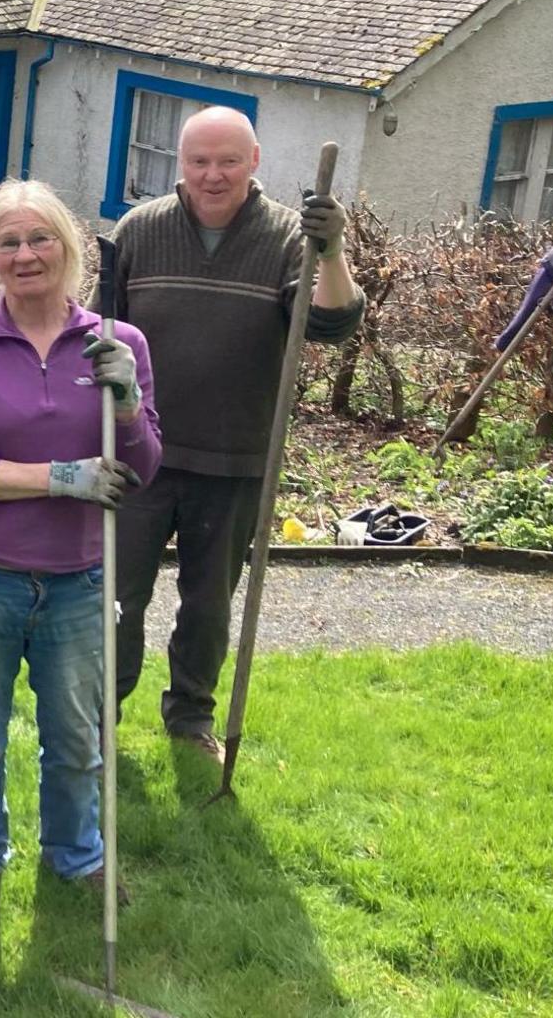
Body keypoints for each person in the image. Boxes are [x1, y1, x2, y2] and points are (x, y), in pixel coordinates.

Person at [0, 179, 162, 893]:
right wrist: (60, 478)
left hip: (79, 577)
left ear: (70, 248)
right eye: (9, 242)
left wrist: (129, 402)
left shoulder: (120, 343)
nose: (26, 255)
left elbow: (142, 467)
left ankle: (76, 855)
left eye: (40, 238)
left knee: (79, 741)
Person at [99, 106, 363, 760]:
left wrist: (330, 250)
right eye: (198, 162)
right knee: (114, 596)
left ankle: (191, 718)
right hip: (140, 454)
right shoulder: (139, 230)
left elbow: (331, 324)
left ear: (254, 163)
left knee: (209, 606)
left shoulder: (287, 237)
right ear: (179, 166)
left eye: (227, 161)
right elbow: (102, 335)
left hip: (237, 456)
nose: (212, 176)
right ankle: (100, 713)